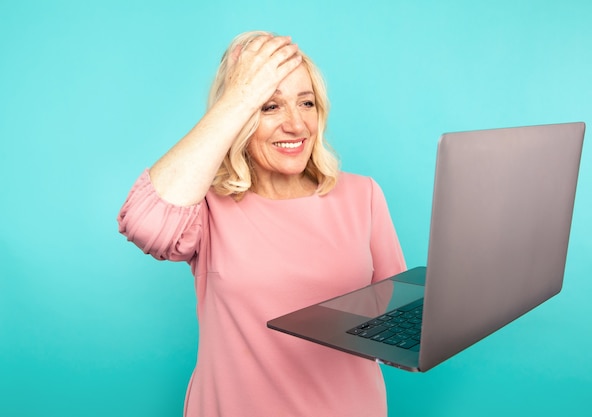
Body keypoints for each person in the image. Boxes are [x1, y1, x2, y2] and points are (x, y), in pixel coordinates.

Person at [118, 30, 406, 417]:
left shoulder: (363, 195)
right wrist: (239, 96)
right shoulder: (207, 206)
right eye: (270, 106)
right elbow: (145, 223)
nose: (296, 125)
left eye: (307, 103)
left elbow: (400, 329)